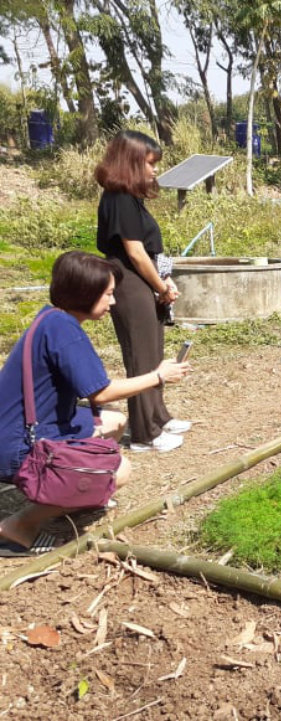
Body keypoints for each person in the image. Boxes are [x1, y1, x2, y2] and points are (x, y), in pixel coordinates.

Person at [0, 251, 190, 556]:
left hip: (20, 428)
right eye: (109, 294)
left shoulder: (52, 318)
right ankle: (20, 525)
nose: (113, 302)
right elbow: (101, 393)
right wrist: (159, 376)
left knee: (114, 422)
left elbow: (93, 388)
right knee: (120, 471)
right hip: (19, 445)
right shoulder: (64, 331)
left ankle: (67, 497)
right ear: (84, 293)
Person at [95, 130, 190, 452]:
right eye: (149, 164)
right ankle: (143, 433)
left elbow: (146, 253)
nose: (154, 171)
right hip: (130, 280)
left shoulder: (129, 199)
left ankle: (158, 416)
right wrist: (161, 286)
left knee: (152, 350)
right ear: (131, 162)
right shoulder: (119, 197)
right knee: (140, 357)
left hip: (142, 279)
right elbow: (135, 252)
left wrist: (165, 282)